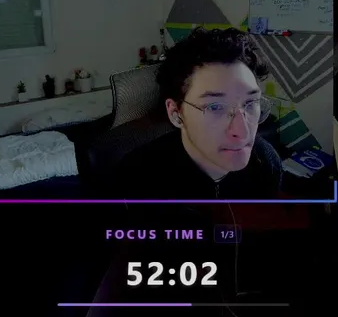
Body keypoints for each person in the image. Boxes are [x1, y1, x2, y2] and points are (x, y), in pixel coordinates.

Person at [115, 28, 283, 199]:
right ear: (176, 113)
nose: (243, 132)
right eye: (216, 107)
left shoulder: (265, 162)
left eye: (251, 103)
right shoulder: (136, 179)